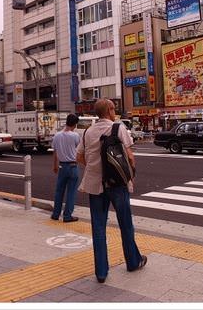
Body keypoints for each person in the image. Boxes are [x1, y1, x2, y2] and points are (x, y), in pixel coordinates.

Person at [77, 98, 147, 283]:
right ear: (109, 110)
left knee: (98, 227)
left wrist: (93, 168)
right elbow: (130, 157)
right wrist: (130, 175)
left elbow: (79, 156)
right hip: (117, 185)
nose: (114, 111)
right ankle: (133, 261)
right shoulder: (118, 128)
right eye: (113, 109)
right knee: (125, 224)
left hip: (95, 185)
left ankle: (101, 272)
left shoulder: (88, 131)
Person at [50, 113, 80, 223]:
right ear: (75, 124)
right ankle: (67, 216)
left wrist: (55, 166)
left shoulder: (57, 135)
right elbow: (78, 149)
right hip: (72, 166)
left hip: (62, 166)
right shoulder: (75, 136)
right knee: (71, 192)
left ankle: (55, 214)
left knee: (59, 191)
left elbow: (55, 152)